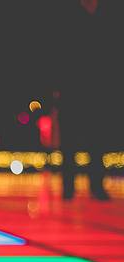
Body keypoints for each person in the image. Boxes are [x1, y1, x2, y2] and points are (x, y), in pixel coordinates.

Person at [57, 0, 112, 200]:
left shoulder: (105, 14)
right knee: (69, 142)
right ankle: (68, 187)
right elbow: (59, 52)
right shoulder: (68, 14)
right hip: (71, 88)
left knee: (97, 141)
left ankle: (96, 186)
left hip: (97, 89)